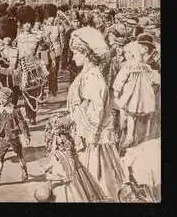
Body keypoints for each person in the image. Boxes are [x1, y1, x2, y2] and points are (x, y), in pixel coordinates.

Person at [68, 27, 126, 201]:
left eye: (76, 54)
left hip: (92, 140)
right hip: (86, 134)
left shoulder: (92, 76)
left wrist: (86, 134)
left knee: (96, 181)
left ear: (85, 54)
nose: (72, 57)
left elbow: (97, 111)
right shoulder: (86, 74)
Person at [42, 112, 109, 202]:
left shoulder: (60, 149)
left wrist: (51, 174)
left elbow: (58, 170)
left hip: (68, 173)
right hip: (69, 169)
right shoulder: (63, 146)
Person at [113, 41, 160, 152]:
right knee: (138, 114)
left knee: (128, 114)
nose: (125, 55)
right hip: (142, 95)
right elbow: (154, 80)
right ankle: (137, 134)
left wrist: (116, 90)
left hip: (131, 94)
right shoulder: (145, 67)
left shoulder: (129, 65)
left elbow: (120, 79)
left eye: (127, 53)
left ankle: (127, 135)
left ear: (131, 53)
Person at [0, 87, 30, 187]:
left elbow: (22, 123)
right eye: (0, 98)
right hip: (3, 137)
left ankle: (24, 172)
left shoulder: (15, 110)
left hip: (13, 136)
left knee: (19, 154)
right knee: (0, 157)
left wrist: (26, 136)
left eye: (4, 98)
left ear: (10, 99)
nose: (1, 100)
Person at [16, 5, 45, 125]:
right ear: (22, 24)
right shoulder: (18, 38)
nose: (27, 25)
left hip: (34, 67)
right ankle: (29, 114)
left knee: (34, 91)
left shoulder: (36, 37)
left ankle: (33, 115)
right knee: (25, 91)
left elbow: (42, 50)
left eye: (29, 23)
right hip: (23, 67)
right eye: (25, 23)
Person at [0, 16, 20, 106]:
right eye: (5, 36)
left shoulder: (16, 50)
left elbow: (18, 66)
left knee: (13, 103)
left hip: (14, 81)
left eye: (9, 36)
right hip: (2, 81)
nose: (7, 38)